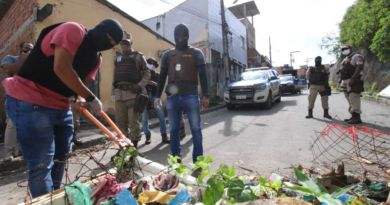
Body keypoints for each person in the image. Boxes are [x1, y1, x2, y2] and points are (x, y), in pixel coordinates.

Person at [2, 19, 124, 198]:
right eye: (108, 39)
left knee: (60, 159)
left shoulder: (96, 58)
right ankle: (47, 200)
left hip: (60, 105)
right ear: (98, 29)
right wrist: (91, 97)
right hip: (30, 98)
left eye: (112, 45)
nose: (108, 45)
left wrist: (81, 98)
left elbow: (79, 85)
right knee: (41, 165)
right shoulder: (73, 30)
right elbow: (61, 68)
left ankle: (52, 198)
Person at [154, 24, 209, 163]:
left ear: (187, 36)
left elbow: (203, 75)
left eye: (182, 36)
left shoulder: (196, 53)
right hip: (173, 98)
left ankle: (198, 161)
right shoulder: (168, 55)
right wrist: (156, 96)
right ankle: (175, 160)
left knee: (195, 128)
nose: (179, 39)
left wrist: (206, 95)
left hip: (191, 95)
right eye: (177, 36)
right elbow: (162, 76)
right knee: (173, 130)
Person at [112, 36, 150, 148]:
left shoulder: (138, 56)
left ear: (131, 43)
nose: (124, 46)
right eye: (122, 43)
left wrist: (139, 86)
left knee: (134, 123)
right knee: (120, 123)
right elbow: (115, 76)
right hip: (119, 94)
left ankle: (134, 148)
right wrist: (113, 92)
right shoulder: (117, 58)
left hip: (133, 94)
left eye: (127, 43)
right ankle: (124, 148)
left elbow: (147, 73)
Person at [0, 42, 34, 159]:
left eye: (31, 49)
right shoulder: (10, 58)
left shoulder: (33, 63)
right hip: (13, 96)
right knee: (12, 123)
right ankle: (8, 153)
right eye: (26, 48)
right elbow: (9, 71)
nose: (29, 51)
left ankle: (19, 151)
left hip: (30, 97)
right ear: (20, 49)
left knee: (27, 124)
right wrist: (23, 59)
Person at [141, 57, 169, 145]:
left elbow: (160, 86)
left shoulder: (157, 75)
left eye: (152, 64)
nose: (150, 65)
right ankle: (147, 137)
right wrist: (146, 82)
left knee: (161, 116)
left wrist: (152, 83)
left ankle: (164, 136)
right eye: (149, 63)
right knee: (144, 118)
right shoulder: (142, 73)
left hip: (155, 96)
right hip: (143, 97)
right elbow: (138, 83)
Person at [339, 45, 365, 124]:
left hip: (353, 80)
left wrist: (353, 79)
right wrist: (340, 81)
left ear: (350, 49)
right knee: (350, 99)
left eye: (346, 49)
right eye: (342, 49)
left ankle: (357, 117)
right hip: (345, 81)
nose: (344, 50)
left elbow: (359, 67)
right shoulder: (345, 59)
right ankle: (353, 116)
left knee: (354, 97)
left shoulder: (356, 56)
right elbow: (343, 70)